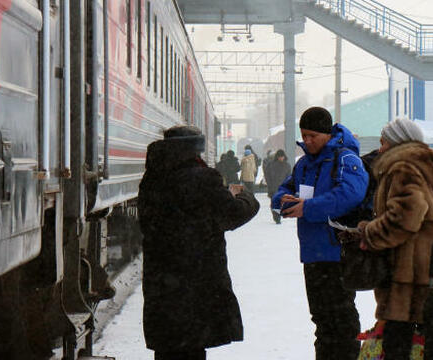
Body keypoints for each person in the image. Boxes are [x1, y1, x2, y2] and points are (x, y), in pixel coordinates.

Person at [138, 126, 260, 360]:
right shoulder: (202, 177)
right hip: (194, 282)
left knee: (169, 348)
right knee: (191, 348)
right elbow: (231, 215)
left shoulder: (152, 178)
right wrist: (245, 196)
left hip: (162, 283)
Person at [271, 107, 368, 360]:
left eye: (313, 135)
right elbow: (282, 191)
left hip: (339, 253)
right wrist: (284, 202)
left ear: (327, 133)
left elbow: (350, 194)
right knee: (322, 321)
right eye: (304, 135)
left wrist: (308, 208)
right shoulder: (303, 165)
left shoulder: (346, 159)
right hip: (312, 256)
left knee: (342, 320)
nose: (308, 141)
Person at [356, 119, 433, 360]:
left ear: (398, 144)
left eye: (384, 143)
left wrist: (369, 232)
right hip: (417, 270)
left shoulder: (404, 169)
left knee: (399, 345)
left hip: (407, 274)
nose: (380, 149)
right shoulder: (413, 167)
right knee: (418, 344)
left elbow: (406, 216)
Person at [264, 149, 292, 224]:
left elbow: (289, 177)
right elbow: (267, 175)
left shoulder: (287, 165)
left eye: (282, 157)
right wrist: (269, 184)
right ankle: (276, 217)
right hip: (273, 187)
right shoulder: (271, 165)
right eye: (279, 157)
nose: (281, 158)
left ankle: (278, 215)